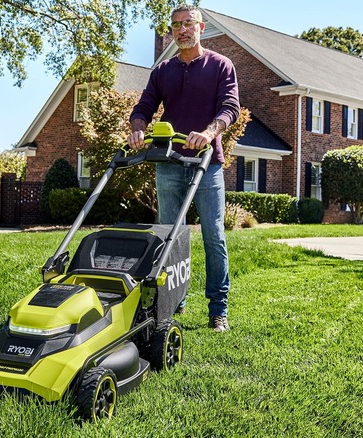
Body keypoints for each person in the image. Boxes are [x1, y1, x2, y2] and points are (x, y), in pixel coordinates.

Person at [127, 4, 240, 332]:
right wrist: (137, 127)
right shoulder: (163, 71)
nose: (181, 30)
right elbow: (144, 106)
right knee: (168, 235)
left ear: (201, 28)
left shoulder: (220, 65)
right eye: (176, 26)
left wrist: (208, 132)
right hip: (169, 163)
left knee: (213, 235)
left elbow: (230, 108)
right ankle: (173, 301)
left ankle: (218, 309)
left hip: (207, 165)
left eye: (188, 24)